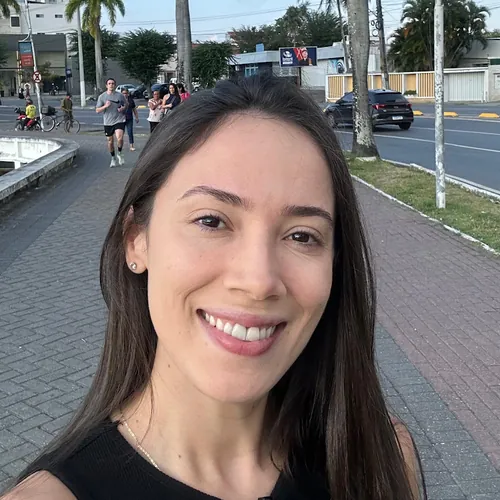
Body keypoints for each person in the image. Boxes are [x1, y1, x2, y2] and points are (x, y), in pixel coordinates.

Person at [4, 74, 426, 500]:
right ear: (136, 240)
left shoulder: (380, 459)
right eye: (211, 221)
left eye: (302, 236)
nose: (258, 281)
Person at [96, 78, 128, 168]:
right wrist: (105, 106)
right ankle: (113, 158)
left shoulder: (120, 95)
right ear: (106, 86)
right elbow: (97, 110)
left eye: (113, 83)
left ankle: (120, 153)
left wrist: (123, 108)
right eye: (109, 83)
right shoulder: (102, 97)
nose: (111, 85)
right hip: (108, 122)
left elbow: (126, 104)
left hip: (119, 119)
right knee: (110, 142)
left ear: (115, 85)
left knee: (120, 138)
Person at [121, 88, 139, 152]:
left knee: (130, 132)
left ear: (128, 94)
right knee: (121, 133)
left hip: (129, 118)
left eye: (126, 93)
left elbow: (134, 109)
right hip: (121, 119)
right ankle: (120, 145)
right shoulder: (120, 100)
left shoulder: (130, 100)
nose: (125, 94)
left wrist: (136, 117)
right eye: (123, 93)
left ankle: (131, 146)